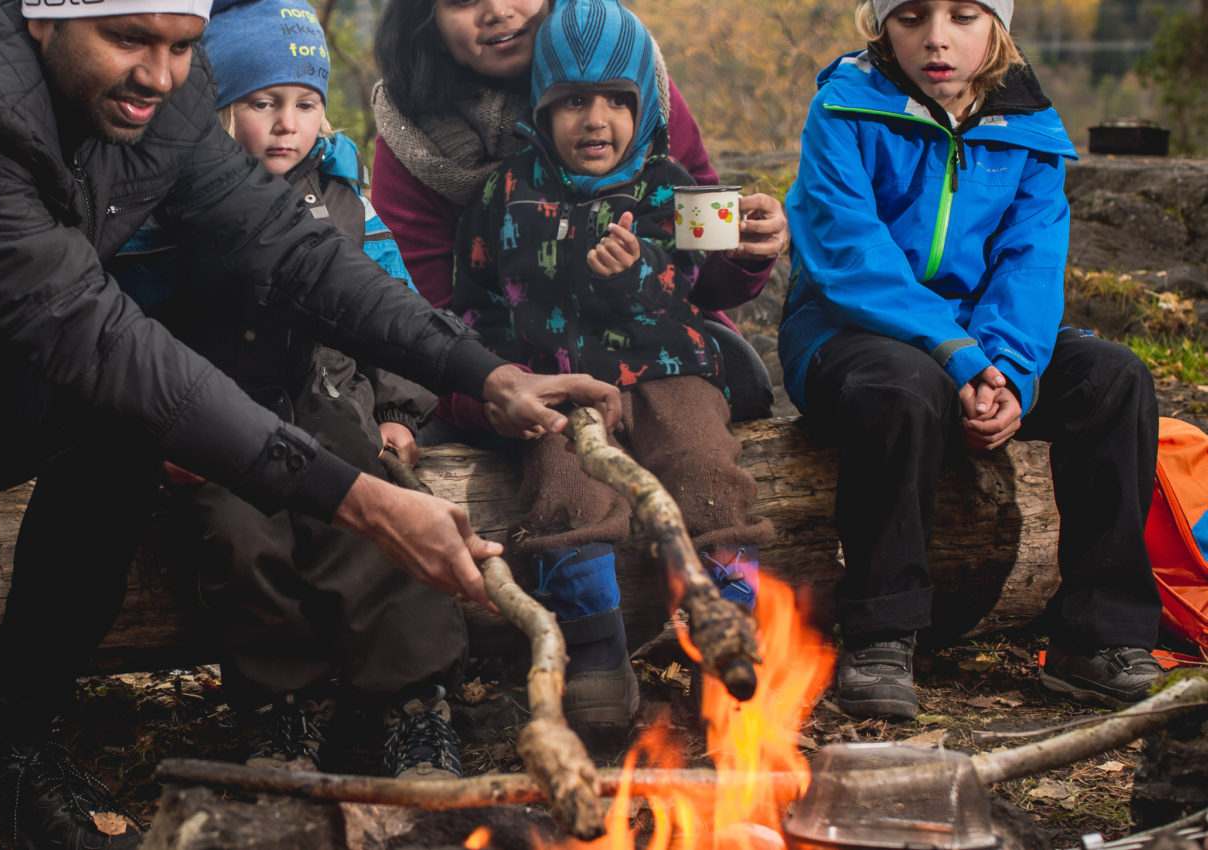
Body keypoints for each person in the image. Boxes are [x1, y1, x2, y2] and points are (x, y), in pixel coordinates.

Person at [0, 1, 621, 848]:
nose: (159, 73)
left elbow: (294, 251)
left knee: (116, 412)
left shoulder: (166, 103)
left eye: (185, 44)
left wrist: (483, 374)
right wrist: (357, 499)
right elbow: (93, 335)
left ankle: (5, 746)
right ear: (46, 15)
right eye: (127, 40)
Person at [111, 0, 467, 780]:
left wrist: (403, 410)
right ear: (217, 111)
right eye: (262, 103)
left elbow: (394, 306)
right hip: (223, 428)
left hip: (340, 414)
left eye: (305, 104)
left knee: (384, 534)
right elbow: (133, 328)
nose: (286, 123)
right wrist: (161, 435)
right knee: (241, 544)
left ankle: (414, 706)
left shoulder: (347, 200)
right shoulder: (175, 205)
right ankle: (283, 715)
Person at [781, 0, 1164, 720]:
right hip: (846, 331)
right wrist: (957, 355)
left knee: (1116, 378)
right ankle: (881, 633)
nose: (937, 38)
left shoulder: (1030, 131)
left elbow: (1030, 265)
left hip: (979, 342)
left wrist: (1012, 373)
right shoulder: (844, 108)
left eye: (964, 14)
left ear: (997, 26)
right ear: (881, 25)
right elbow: (849, 255)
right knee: (904, 382)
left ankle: (1097, 637)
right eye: (911, 16)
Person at [448, 0, 773, 748]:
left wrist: (729, 252)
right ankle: (594, 651)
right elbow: (474, 307)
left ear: (643, 106)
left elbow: (703, 282)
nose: (594, 120)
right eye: (571, 101)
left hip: (670, 368)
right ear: (542, 108)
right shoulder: (500, 196)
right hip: (561, 380)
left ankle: (726, 631)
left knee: (704, 464)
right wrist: (497, 379)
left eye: (615, 102)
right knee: (561, 484)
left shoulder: (670, 186)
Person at [369, 0, 790, 425]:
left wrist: (745, 253)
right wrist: (493, 397)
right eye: (462, 0)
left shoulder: (634, 81)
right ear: (423, 19)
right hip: (513, 384)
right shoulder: (412, 144)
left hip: (665, 357)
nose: (497, 10)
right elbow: (424, 323)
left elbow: (700, 263)